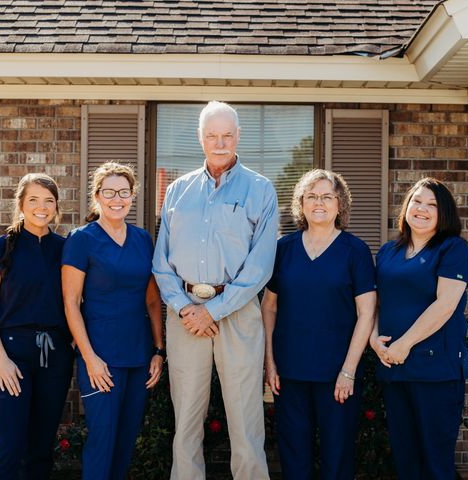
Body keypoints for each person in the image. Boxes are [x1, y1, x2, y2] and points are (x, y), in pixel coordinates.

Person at [152, 100, 279, 480]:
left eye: (227, 135)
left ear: (238, 136)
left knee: (245, 421)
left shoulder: (261, 189)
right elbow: (162, 262)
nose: (220, 143)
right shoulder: (176, 191)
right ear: (200, 138)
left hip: (238, 314)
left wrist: (215, 310)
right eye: (212, 135)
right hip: (185, 316)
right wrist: (184, 307)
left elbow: (260, 267)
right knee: (186, 420)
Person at [262, 169, 376, 480]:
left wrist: (349, 371)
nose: (319, 203)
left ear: (340, 204)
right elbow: (269, 307)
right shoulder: (283, 249)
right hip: (290, 373)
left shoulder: (356, 251)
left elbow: (367, 313)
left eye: (327, 196)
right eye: (311, 196)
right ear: (301, 203)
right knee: (293, 457)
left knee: (337, 458)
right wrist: (270, 363)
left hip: (337, 375)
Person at [61, 162, 164, 480]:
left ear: (132, 196)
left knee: (125, 442)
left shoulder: (142, 239)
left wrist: (159, 350)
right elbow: (71, 302)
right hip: (101, 359)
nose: (117, 199)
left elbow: (152, 299)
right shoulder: (81, 239)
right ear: (97, 196)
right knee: (102, 440)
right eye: (109, 192)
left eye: (123, 192)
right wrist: (89, 357)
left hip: (138, 355)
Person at [370, 177, 468, 480]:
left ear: (444, 214)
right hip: (395, 370)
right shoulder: (389, 251)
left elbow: (445, 305)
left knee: (436, 464)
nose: (422, 209)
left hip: (436, 373)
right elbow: (377, 303)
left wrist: (404, 344)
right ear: (406, 207)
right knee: (406, 461)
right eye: (417, 201)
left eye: (432, 205)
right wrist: (375, 339)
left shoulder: (452, 249)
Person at [0, 173, 73, 480]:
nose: (41, 207)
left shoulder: (66, 250)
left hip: (54, 357)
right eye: (33, 200)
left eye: (48, 201)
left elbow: (78, 302)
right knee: (10, 447)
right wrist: (1, 360)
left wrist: (70, 344)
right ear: (20, 204)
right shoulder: (0, 249)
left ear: (56, 207)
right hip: (12, 356)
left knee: (41, 450)